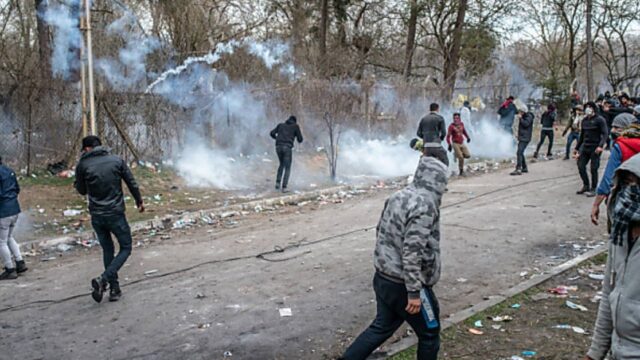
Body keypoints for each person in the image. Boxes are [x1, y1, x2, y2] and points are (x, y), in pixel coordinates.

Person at [340, 156, 448, 360]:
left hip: (383, 278)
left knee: (381, 328)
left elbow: (380, 231)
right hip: (406, 286)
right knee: (429, 334)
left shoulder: (397, 196)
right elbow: (413, 252)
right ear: (437, 180)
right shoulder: (425, 205)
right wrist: (414, 293)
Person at [74, 136, 144, 303]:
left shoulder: (82, 165)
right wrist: (139, 200)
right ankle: (104, 280)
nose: (84, 153)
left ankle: (115, 288)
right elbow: (131, 183)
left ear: (88, 148)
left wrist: (77, 182)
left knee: (108, 250)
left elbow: (82, 191)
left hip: (97, 215)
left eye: (84, 150)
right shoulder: (116, 160)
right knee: (126, 247)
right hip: (116, 213)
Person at [584, 153, 640, 360]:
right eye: (626, 182)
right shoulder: (620, 233)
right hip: (617, 351)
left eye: (636, 183)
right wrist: (595, 352)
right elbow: (609, 294)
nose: (630, 190)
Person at [591, 121, 640, 226]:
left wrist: (596, 204)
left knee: (621, 237)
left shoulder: (620, 146)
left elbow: (609, 178)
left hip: (625, 201)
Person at [0, 156, 27, 280]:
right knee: (9, 237)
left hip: (3, 211)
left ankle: (9, 269)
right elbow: (17, 189)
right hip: (14, 208)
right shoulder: (9, 170)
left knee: (1, 242)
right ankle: (20, 262)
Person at [574, 102, 609, 196]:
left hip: (595, 147)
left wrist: (600, 146)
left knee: (594, 168)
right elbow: (582, 135)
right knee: (580, 166)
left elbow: (605, 134)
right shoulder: (584, 120)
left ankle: (594, 188)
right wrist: (577, 148)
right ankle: (586, 185)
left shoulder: (600, 120)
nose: (587, 109)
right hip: (585, 147)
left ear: (594, 108)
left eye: (589, 107)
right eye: (586, 107)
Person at [270, 115, 303, 193]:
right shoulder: (295, 126)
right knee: (287, 167)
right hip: (287, 148)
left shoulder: (280, 125)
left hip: (278, 147)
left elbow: (271, 133)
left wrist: (277, 139)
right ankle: (284, 187)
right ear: (295, 121)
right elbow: (300, 139)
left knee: (281, 164)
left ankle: (277, 183)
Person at [510, 104, 534, 176]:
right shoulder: (524, 116)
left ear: (524, 111)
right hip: (523, 137)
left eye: (520, 112)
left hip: (525, 138)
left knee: (519, 152)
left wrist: (521, 118)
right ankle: (524, 167)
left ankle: (518, 168)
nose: (519, 113)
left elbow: (526, 124)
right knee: (521, 152)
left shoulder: (529, 116)